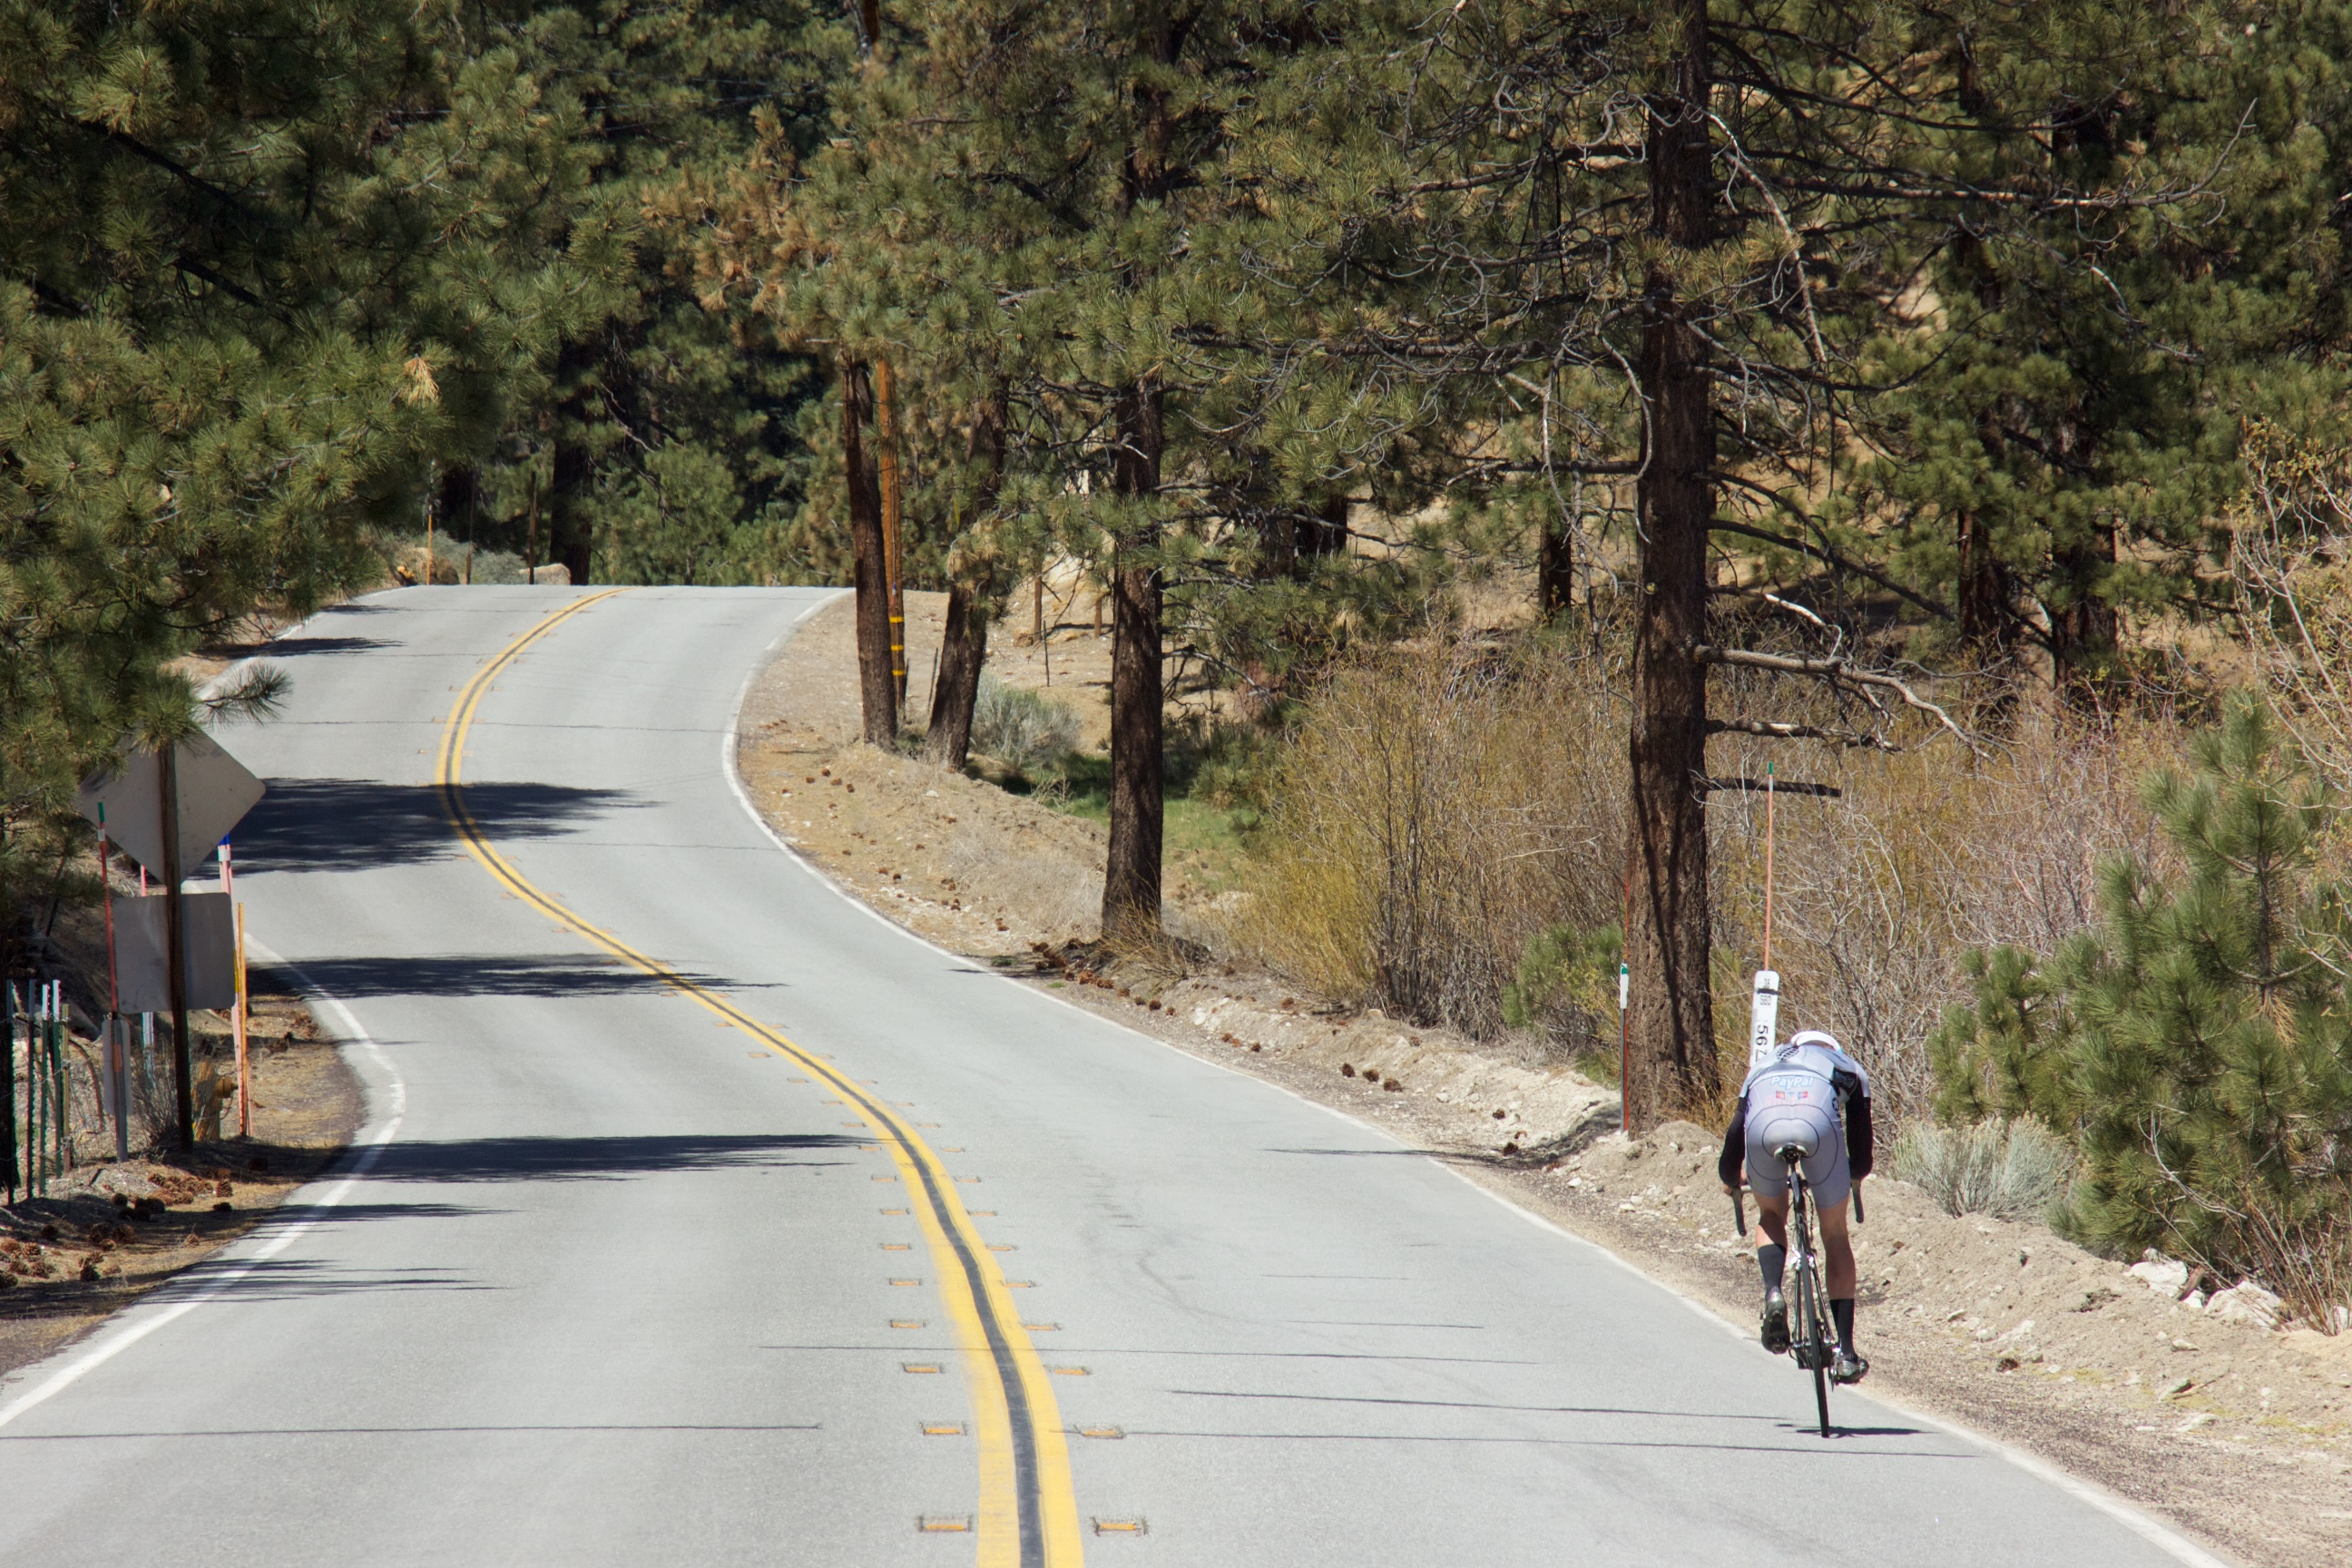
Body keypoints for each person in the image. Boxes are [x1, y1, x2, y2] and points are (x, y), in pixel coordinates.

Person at [1718, 1028, 1875, 1384]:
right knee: (1834, 1233)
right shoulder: (1847, 1066)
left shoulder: (1763, 1064)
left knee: (1771, 1213)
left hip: (1763, 1129)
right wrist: (1843, 1179)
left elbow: (1733, 1133)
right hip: (1816, 1124)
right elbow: (1862, 1156)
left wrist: (1730, 1177)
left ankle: (1774, 1291)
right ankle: (1846, 1352)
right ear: (1831, 1047)